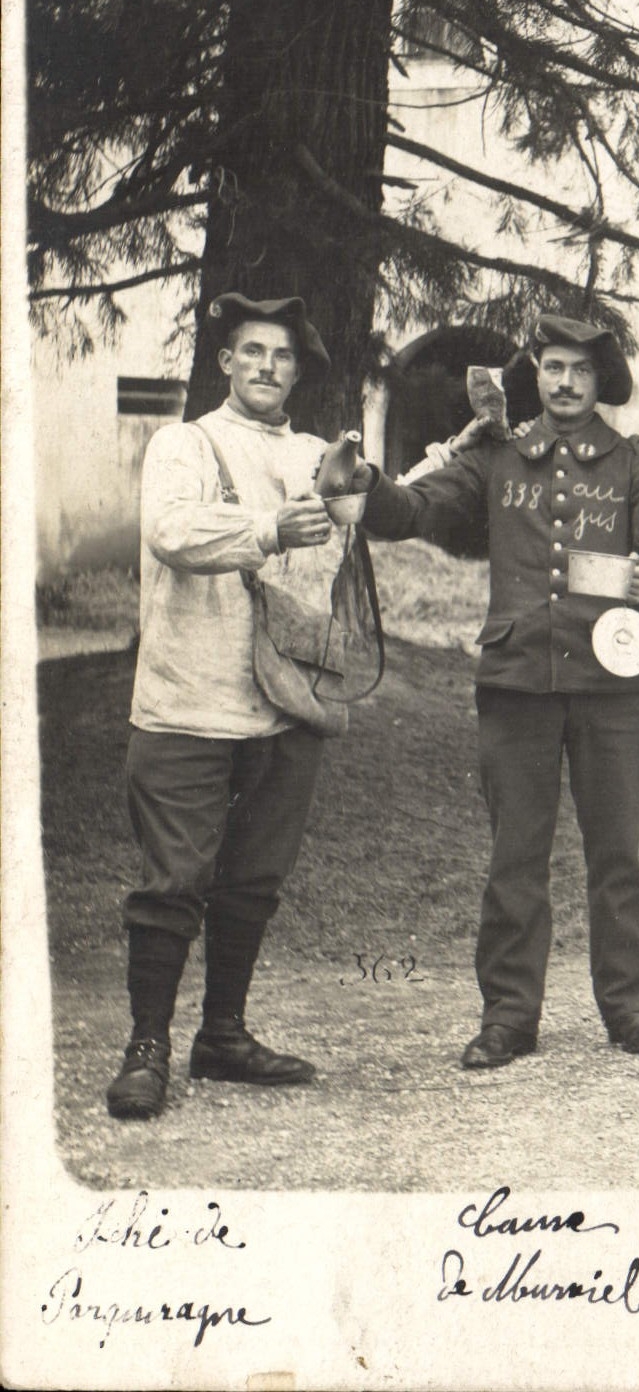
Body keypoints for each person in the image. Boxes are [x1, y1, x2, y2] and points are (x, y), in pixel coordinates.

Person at [347, 315, 639, 1068]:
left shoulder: (636, 464)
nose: (563, 382)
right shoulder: (498, 459)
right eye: (551, 367)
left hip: (614, 689)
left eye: (579, 370)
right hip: (518, 684)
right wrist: (367, 486)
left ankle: (630, 1009)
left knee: (619, 858)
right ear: (534, 375)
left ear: (602, 383)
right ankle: (508, 1016)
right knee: (515, 856)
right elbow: (418, 508)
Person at [106, 292, 344, 1120]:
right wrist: (274, 528)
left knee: (253, 882)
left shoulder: (315, 452)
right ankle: (148, 1049)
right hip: (187, 702)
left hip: (284, 703)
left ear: (296, 370)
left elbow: (359, 525)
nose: (267, 368)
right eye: (252, 352)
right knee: (174, 882)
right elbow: (172, 532)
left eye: (282, 356)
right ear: (226, 363)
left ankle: (223, 1036)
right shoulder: (184, 443)